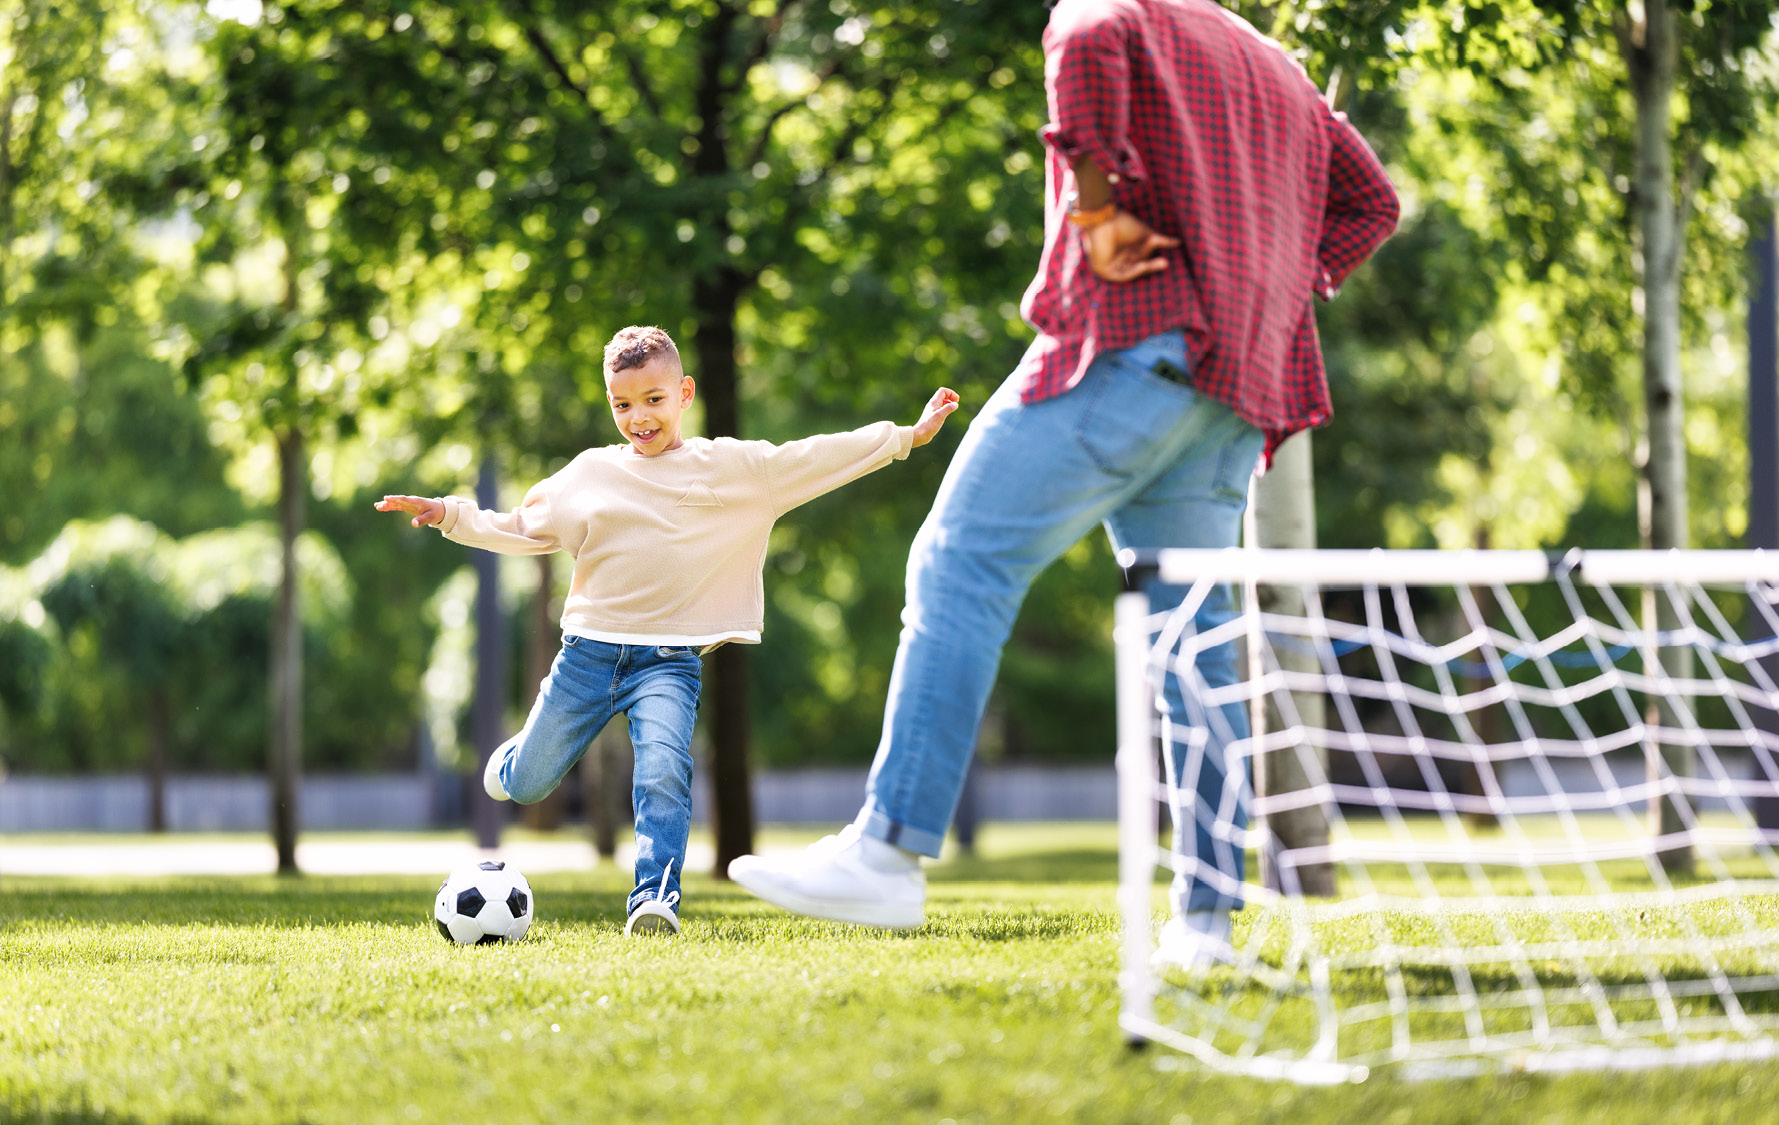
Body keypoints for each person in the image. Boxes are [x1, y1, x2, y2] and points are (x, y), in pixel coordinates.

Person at [727, 0, 1399, 964]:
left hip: (1129, 349)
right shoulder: (1273, 64)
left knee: (960, 562)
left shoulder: (1105, 10)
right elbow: (1372, 202)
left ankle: (886, 852)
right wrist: (1274, 285)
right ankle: (1206, 922)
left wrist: (1093, 211)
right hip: (1235, 390)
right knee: (1196, 649)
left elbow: (1082, 44)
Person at [378, 325, 959, 937]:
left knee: (662, 770)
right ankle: (513, 764)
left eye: (653, 399)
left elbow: (813, 456)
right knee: (527, 786)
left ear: (684, 393)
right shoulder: (589, 474)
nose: (639, 418)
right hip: (587, 657)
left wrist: (905, 437)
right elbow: (522, 526)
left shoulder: (734, 468)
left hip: (668, 664)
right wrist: (449, 514)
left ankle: (654, 897)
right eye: (622, 404)